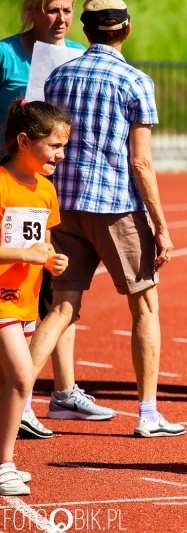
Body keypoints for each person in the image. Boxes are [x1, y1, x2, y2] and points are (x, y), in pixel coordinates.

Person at [31, 0, 185, 437]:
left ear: (87, 29)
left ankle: (21, 399)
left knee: (62, 306)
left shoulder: (59, 75)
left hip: (64, 204)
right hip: (116, 205)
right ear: (126, 30)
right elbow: (141, 163)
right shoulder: (135, 80)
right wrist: (161, 225)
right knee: (145, 304)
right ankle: (148, 413)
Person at [1, 0, 113, 440]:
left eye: (68, 10)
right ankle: (23, 398)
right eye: (51, 9)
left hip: (46, 188)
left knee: (56, 293)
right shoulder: (7, 55)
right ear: (33, 10)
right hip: (12, 176)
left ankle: (62, 389)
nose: (61, 18)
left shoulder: (76, 61)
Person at [0, 98, 70, 495]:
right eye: (54, 146)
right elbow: (22, 247)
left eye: (63, 147)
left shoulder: (45, 190)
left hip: (26, 300)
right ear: (24, 142)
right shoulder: (1, 184)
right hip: (1, 301)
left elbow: (42, 241)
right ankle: (5, 464)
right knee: (22, 377)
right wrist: (25, 254)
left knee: (5, 383)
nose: (61, 155)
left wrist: (49, 260)